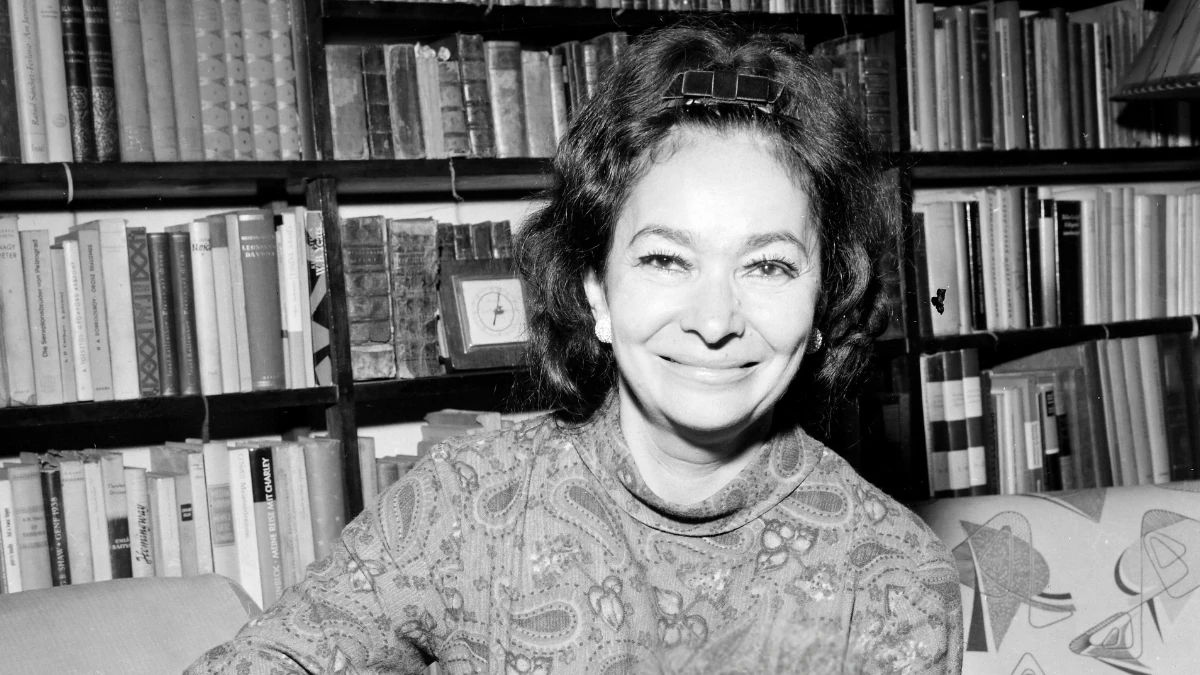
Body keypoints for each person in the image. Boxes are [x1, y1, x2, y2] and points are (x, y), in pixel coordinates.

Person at [188, 23, 963, 675]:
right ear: (597, 291)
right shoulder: (467, 501)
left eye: (767, 266)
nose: (715, 319)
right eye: (666, 259)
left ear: (824, 302)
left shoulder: (893, 574)